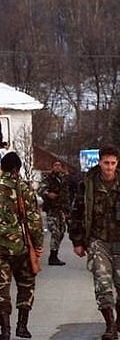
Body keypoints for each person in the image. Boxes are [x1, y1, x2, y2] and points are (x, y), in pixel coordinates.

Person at [0, 152, 44, 340]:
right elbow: (34, 221)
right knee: (26, 285)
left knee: (1, 289)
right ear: (18, 168)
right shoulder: (26, 189)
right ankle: (23, 326)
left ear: (2, 168)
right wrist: (37, 246)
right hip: (22, 249)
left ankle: (5, 330)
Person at [69, 145, 120, 340]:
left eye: (113, 163)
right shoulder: (88, 184)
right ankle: (110, 326)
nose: (109, 167)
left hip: (119, 240)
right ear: (99, 162)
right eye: (106, 163)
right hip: (98, 241)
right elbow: (77, 213)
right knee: (102, 283)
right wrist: (77, 241)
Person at [38, 159, 71, 266]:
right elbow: (40, 190)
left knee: (61, 232)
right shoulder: (48, 179)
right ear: (52, 167)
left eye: (59, 165)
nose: (57, 167)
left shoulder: (63, 179)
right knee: (55, 232)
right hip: (52, 209)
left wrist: (68, 208)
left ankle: (55, 254)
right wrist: (48, 194)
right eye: (55, 165)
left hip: (62, 209)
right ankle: (52, 256)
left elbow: (67, 194)